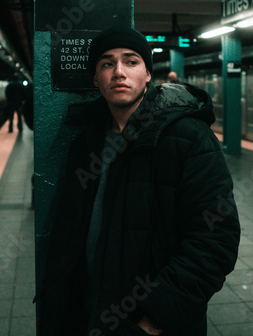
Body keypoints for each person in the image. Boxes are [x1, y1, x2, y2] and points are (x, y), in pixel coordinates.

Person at [38, 27, 240, 336]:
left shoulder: (189, 139)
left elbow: (215, 241)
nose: (118, 71)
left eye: (131, 61)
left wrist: (152, 322)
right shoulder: (86, 144)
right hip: (88, 314)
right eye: (107, 63)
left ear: (148, 74)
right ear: (96, 79)